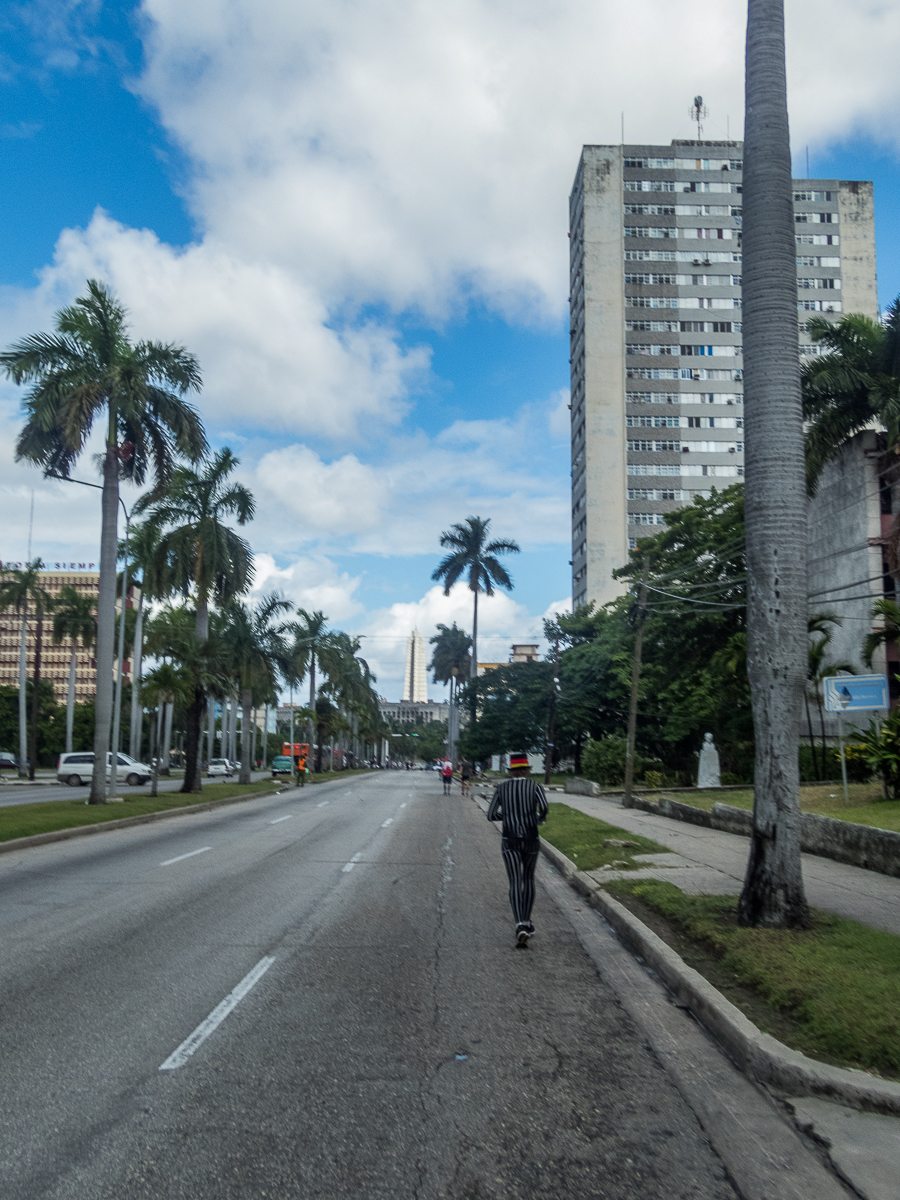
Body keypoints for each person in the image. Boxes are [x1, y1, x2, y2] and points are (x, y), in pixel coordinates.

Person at [487, 753, 548, 947]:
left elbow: (490, 815)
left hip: (509, 839)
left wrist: (506, 817)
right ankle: (528, 921)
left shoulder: (502, 788)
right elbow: (544, 808)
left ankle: (519, 923)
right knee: (528, 879)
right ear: (527, 770)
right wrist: (538, 819)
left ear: (511, 771)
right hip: (531, 838)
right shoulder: (535, 786)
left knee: (514, 881)